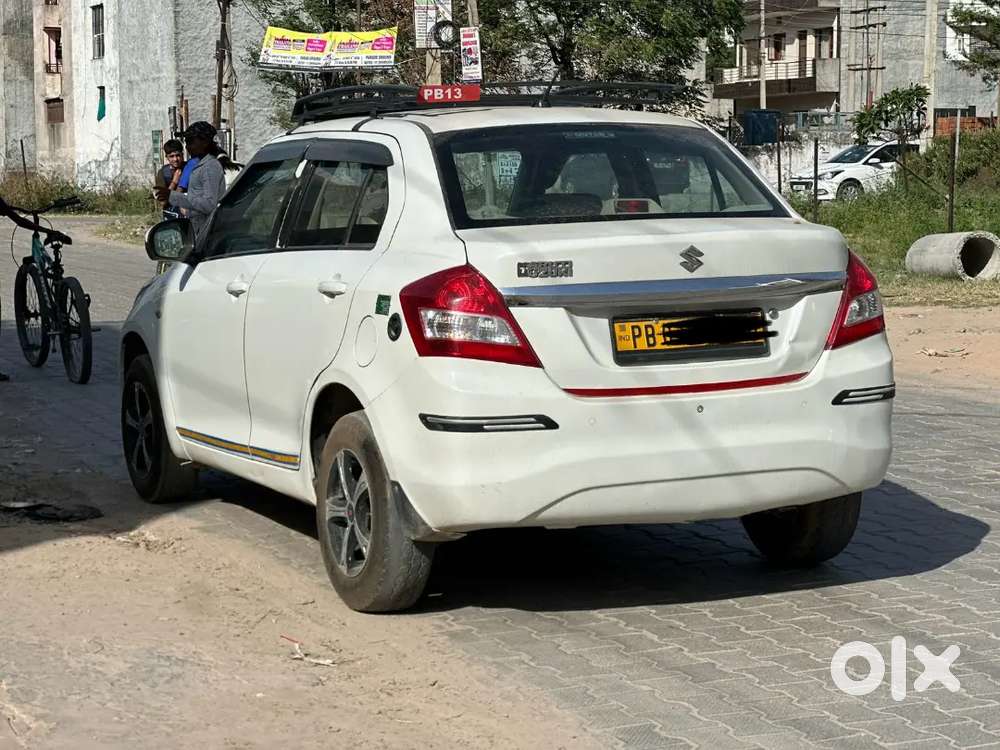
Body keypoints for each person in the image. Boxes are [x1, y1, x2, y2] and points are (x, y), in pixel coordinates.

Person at [167, 122, 231, 242]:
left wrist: (177, 200)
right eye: (186, 142)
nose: (187, 147)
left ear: (205, 142)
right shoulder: (199, 164)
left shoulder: (210, 166)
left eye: (191, 142)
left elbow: (209, 204)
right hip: (198, 228)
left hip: (207, 232)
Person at [153, 139, 185, 220]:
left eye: (178, 155)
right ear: (166, 157)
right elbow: (162, 202)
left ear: (182, 155)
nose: (175, 159)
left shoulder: (189, 168)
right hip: (171, 213)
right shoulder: (163, 173)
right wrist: (174, 182)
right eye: (171, 156)